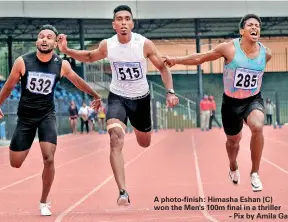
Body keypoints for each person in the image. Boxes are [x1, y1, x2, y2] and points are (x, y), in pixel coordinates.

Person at [57, 5, 179, 205]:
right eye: (119, 19)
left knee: (144, 142)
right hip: (118, 97)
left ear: (132, 23)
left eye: (127, 19)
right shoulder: (108, 45)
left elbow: (162, 68)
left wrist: (170, 91)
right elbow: (89, 57)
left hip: (141, 99)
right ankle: (123, 191)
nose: (123, 22)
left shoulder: (144, 44)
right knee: (115, 138)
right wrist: (67, 50)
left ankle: (139, 130)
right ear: (114, 25)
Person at [0, 25, 101, 216]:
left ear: (55, 42)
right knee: (15, 163)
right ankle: (25, 144)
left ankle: (44, 201)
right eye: (41, 36)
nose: (44, 40)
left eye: (49, 37)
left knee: (49, 158)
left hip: (46, 116)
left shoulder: (61, 64)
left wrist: (95, 95)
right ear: (36, 41)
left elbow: (77, 81)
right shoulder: (22, 62)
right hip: (25, 118)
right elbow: (9, 86)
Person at [163, 14, 272, 192]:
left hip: (253, 99)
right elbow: (201, 58)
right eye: (251, 25)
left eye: (257, 26)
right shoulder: (229, 48)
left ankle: (254, 173)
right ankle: (233, 166)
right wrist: (176, 60)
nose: (255, 28)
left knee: (258, 126)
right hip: (231, 103)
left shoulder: (266, 53)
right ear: (242, 31)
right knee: (233, 142)